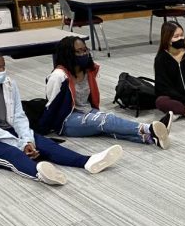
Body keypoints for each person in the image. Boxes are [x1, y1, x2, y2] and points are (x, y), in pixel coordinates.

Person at [0, 47, 123, 186]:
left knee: (45, 144)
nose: (2, 71)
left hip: (8, 130)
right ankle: (39, 174)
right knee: (12, 154)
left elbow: (19, 115)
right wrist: (19, 144)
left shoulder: (9, 83)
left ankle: (88, 161)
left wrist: (27, 140)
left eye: (3, 66)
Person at [41, 36, 173, 146]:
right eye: (78, 52)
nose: (83, 54)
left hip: (87, 111)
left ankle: (150, 138)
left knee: (108, 127)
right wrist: (42, 130)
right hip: (67, 121)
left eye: (85, 50)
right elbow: (51, 105)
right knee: (106, 121)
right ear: (68, 54)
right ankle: (148, 128)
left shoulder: (88, 70)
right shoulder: (59, 76)